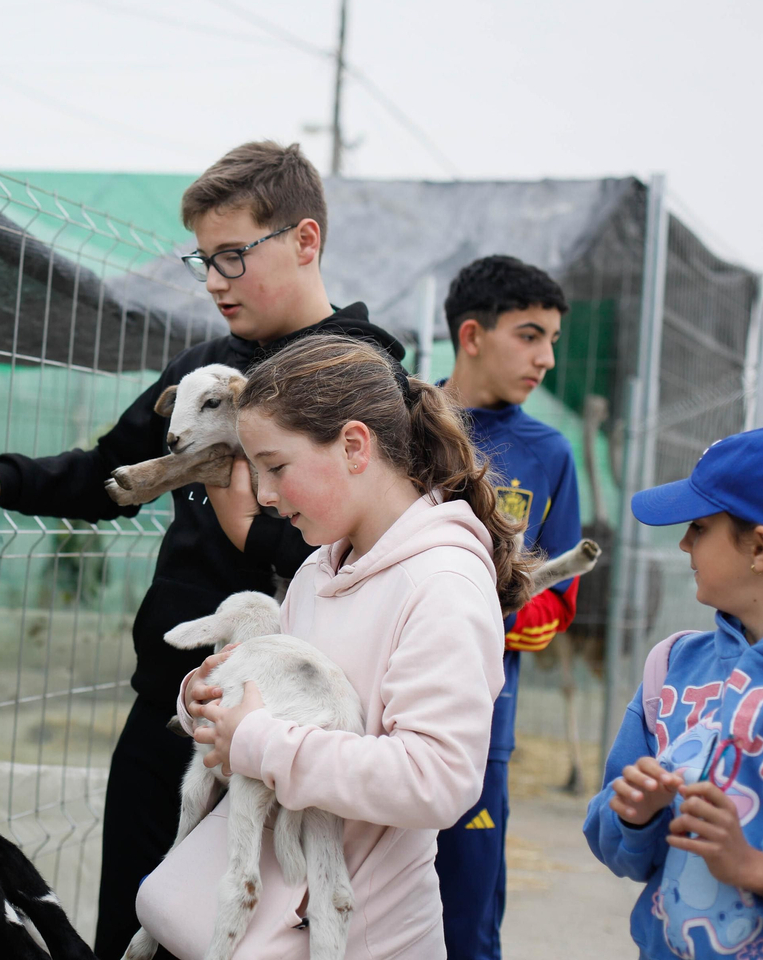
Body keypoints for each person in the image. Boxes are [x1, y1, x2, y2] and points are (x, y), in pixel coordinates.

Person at [0, 140, 405, 958]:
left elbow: (366, 548)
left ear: (305, 240)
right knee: (133, 924)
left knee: (240, 935)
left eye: (233, 255)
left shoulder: (357, 378)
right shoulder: (206, 367)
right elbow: (110, 471)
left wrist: (251, 528)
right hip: (166, 707)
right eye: (204, 259)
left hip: (277, 735)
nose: (215, 281)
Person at [144, 334, 520, 959]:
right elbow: (274, 706)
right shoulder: (319, 570)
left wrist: (260, 741)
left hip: (370, 940)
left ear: (353, 446)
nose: (263, 496)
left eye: (276, 467)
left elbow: (437, 779)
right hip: (283, 924)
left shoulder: (443, 584)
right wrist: (210, 700)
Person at [584, 421, 763, 960]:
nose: (683, 543)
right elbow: (614, 845)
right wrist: (634, 816)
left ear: (760, 547)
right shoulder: (672, 666)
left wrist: (759, 870)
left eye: (699, 527)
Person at [434, 255, 583, 960]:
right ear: (471, 334)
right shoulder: (394, 422)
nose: (546, 358)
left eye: (552, 339)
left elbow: (560, 596)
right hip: (374, 709)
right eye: (529, 336)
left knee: (466, 919)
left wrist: (478, 622)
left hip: (480, 719)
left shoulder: (548, 453)